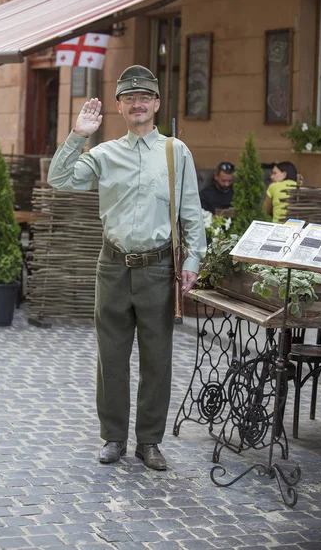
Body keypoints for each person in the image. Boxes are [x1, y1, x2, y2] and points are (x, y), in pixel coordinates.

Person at [47, 65, 206, 471]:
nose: (137, 104)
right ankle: (114, 438)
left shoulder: (176, 152)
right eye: (129, 98)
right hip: (113, 267)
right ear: (119, 106)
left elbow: (191, 211)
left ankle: (149, 442)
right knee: (111, 357)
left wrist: (192, 260)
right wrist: (79, 135)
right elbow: (59, 178)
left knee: (157, 359)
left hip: (158, 269)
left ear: (156, 104)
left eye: (145, 98)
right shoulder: (103, 154)